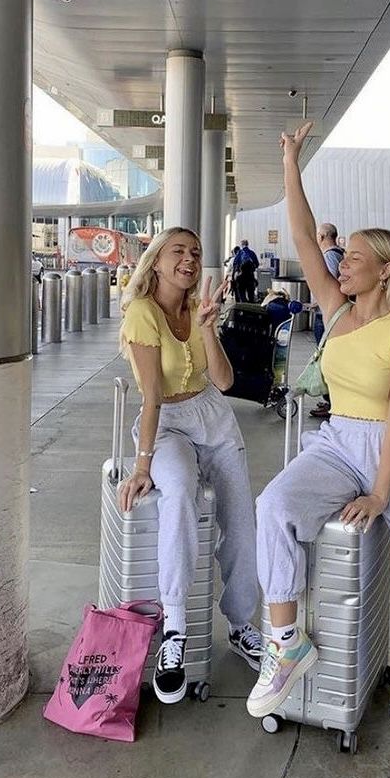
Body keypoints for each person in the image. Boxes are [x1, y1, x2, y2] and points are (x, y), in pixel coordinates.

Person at [246, 124, 390, 761]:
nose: (339, 261)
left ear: (384, 270)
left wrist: (380, 492)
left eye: (352, 258)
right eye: (340, 256)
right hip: (336, 440)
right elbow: (300, 231)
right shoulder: (336, 310)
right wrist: (291, 159)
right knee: (275, 507)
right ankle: (286, 642)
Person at [118, 227, 262, 705]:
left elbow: (223, 381)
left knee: (242, 520)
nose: (189, 259)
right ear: (156, 261)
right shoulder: (142, 313)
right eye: (178, 251)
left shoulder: (196, 311)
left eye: (196, 252)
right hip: (166, 424)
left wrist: (206, 327)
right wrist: (142, 465)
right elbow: (152, 395)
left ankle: (242, 624)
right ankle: (175, 628)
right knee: (177, 493)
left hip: (212, 416)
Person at [310, 223, 345, 419]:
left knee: (326, 359)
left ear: (323, 236)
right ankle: (331, 401)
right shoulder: (339, 254)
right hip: (331, 315)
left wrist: (315, 304)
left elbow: (328, 285)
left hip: (327, 317)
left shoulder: (330, 256)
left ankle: (332, 402)